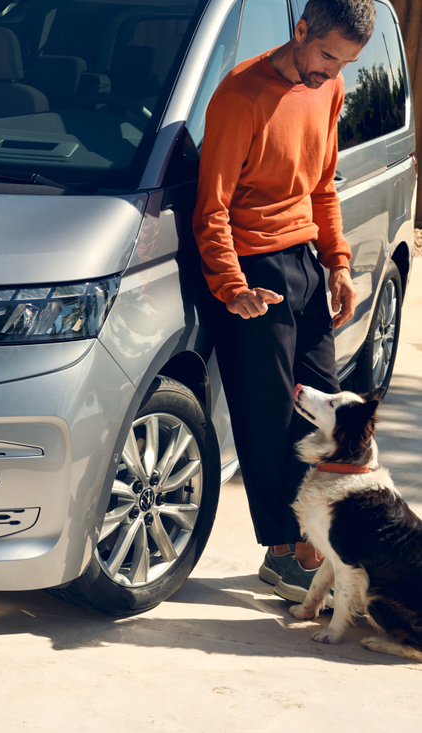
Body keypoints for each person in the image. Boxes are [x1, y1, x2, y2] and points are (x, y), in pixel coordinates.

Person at [193, 0, 375, 602]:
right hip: (251, 272)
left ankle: (312, 543)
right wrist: (232, 287)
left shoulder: (329, 86)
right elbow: (212, 208)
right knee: (268, 416)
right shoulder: (241, 95)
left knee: (326, 410)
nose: (332, 71)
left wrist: (337, 262)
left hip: (303, 262)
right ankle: (283, 552)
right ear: (300, 30)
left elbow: (322, 186)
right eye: (326, 55)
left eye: (344, 63)